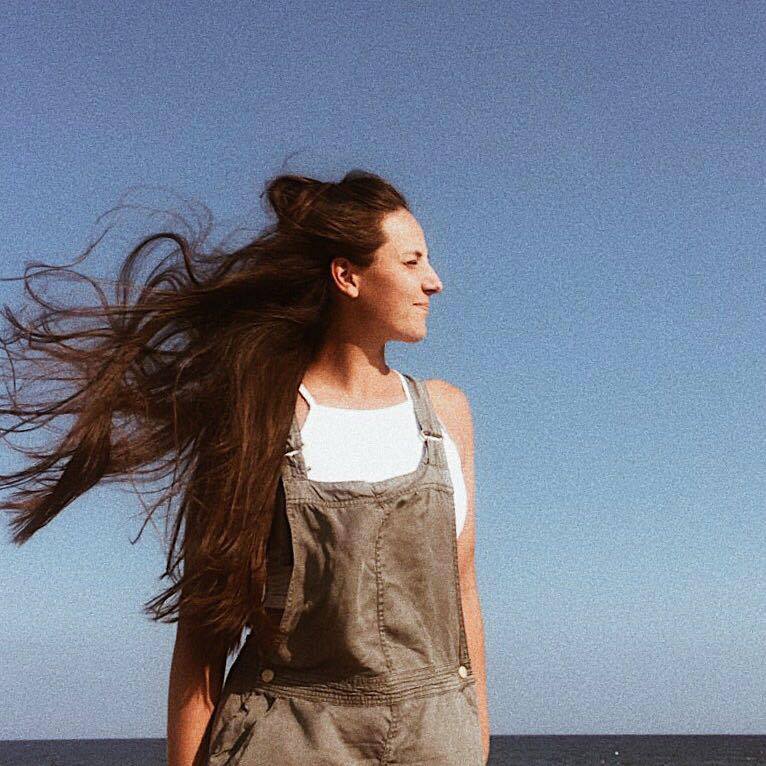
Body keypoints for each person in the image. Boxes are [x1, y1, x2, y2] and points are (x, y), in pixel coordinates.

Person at [1, 169, 489, 765]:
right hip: (290, 740)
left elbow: (462, 590)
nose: (434, 281)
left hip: (437, 740)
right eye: (412, 262)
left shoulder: (445, 415)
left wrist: (475, 736)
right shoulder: (260, 418)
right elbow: (205, 629)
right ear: (347, 276)